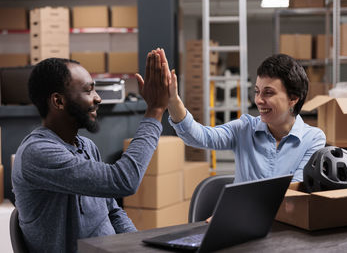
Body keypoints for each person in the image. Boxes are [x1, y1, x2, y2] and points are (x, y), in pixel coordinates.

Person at [11, 50, 170, 253]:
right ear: (58, 101)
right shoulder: (37, 154)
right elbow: (124, 180)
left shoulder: (86, 146)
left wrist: (137, 245)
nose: (98, 99)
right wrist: (155, 111)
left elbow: (111, 210)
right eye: (88, 91)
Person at [166, 53, 326, 183]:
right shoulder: (244, 128)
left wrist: (229, 210)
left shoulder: (313, 139)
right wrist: (173, 101)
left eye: (268, 93)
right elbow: (199, 137)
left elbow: (295, 193)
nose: (258, 100)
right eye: (257, 91)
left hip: (284, 221)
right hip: (243, 221)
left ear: (293, 98)